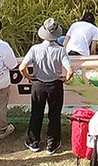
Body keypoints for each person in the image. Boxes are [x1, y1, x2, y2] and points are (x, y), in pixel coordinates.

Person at [21, 19, 73, 154]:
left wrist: (29, 77)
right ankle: (52, 143)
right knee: (54, 115)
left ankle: (33, 141)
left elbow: (22, 67)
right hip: (55, 85)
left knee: (36, 113)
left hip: (38, 84)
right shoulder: (60, 50)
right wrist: (65, 79)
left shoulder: (35, 49)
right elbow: (70, 70)